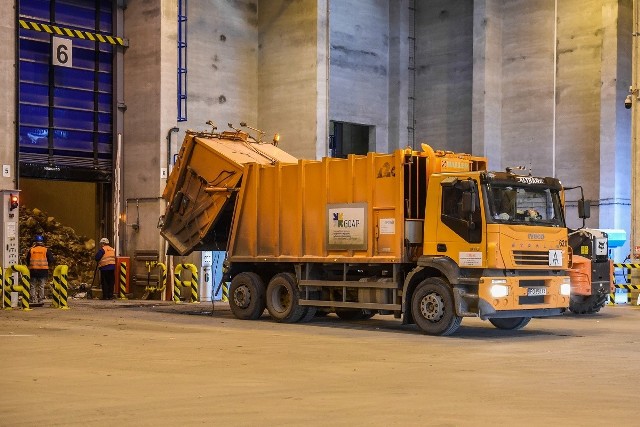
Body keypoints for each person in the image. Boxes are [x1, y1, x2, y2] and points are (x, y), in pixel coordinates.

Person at [25, 234, 55, 306]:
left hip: (33, 270)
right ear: (42, 242)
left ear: (35, 242)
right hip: (43, 270)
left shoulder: (31, 250)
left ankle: (33, 299)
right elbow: (51, 259)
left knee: (33, 285)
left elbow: (27, 260)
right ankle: (41, 299)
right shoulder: (45, 250)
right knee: (41, 285)